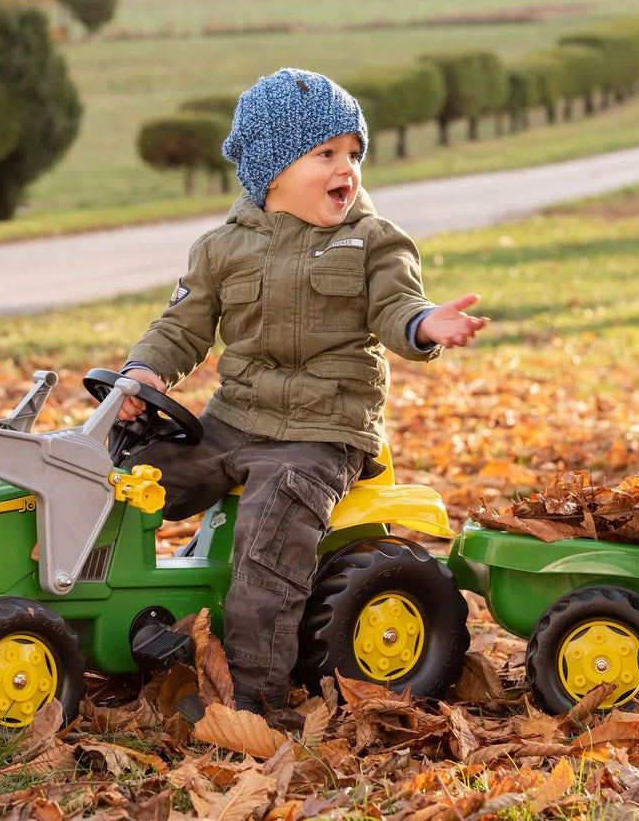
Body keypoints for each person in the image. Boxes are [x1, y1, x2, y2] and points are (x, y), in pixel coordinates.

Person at [118, 67, 485, 718]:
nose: (347, 167)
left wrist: (426, 324)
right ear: (274, 168)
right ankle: (107, 612)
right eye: (326, 153)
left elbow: (398, 305)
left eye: (353, 153)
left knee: (271, 535)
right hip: (233, 421)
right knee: (128, 477)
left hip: (321, 433)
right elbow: (182, 326)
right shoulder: (221, 248)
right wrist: (144, 372)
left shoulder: (371, 242)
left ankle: (254, 693)